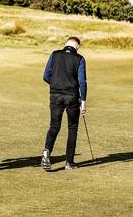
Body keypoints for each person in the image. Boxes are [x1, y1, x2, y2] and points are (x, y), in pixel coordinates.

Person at [41, 36, 87, 171]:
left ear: (66, 44)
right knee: (72, 128)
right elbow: (82, 82)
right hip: (72, 96)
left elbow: (46, 76)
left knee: (54, 126)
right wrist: (83, 101)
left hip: (55, 95)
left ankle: (46, 153)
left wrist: (56, 85)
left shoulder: (54, 54)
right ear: (77, 46)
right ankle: (69, 162)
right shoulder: (80, 59)